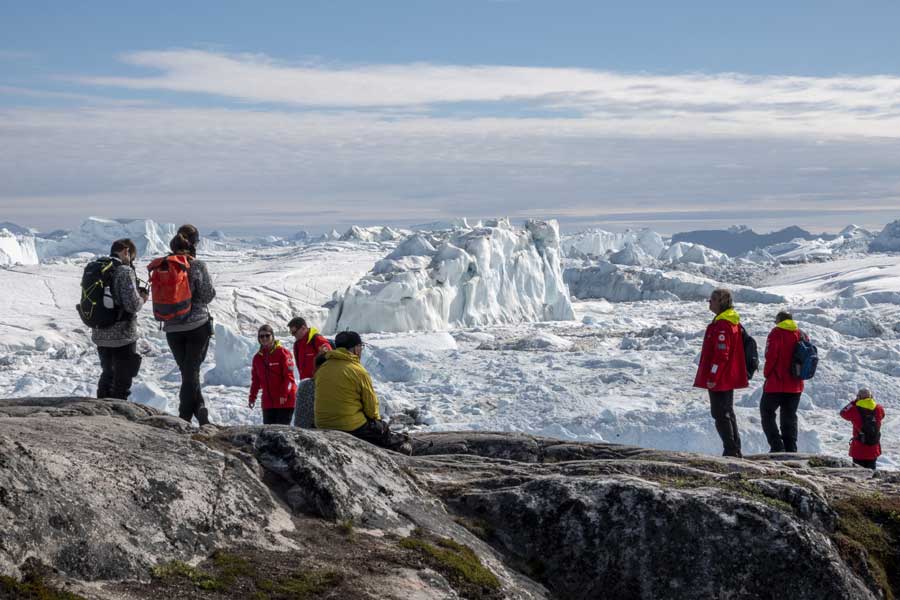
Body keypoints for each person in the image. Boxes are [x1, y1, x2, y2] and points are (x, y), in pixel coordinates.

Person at [314, 331, 410, 453]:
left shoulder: (323, 368)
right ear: (355, 349)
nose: (361, 350)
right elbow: (371, 409)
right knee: (382, 429)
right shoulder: (357, 370)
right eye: (360, 346)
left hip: (322, 424)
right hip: (348, 427)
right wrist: (378, 424)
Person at [160, 227, 216, 425]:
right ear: (194, 244)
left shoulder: (164, 265)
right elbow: (207, 295)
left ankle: (200, 409)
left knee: (188, 371)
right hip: (197, 326)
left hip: (172, 329)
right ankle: (185, 415)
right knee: (191, 372)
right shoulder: (197, 265)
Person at [693, 288, 748, 458]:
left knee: (720, 414)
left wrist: (712, 377)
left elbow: (721, 355)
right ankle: (734, 448)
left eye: (712, 299)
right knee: (727, 412)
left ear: (721, 302)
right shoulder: (731, 322)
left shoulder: (723, 325)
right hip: (728, 376)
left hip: (721, 378)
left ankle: (730, 450)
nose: (709, 302)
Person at [92, 238, 148, 400]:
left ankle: (100, 410)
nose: (131, 262)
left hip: (100, 332)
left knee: (107, 374)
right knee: (122, 380)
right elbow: (132, 305)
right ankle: (117, 416)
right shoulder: (124, 271)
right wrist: (142, 298)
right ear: (126, 252)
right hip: (122, 335)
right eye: (132, 258)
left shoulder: (99, 267)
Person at [760, 311, 803, 453]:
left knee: (767, 412)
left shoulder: (776, 333)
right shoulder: (801, 334)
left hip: (776, 383)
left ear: (779, 320)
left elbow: (771, 356)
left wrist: (767, 374)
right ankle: (791, 448)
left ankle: (776, 444)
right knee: (789, 416)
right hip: (795, 384)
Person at [249, 324, 297, 424]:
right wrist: (252, 397)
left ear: (273, 336)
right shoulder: (257, 358)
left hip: (284, 401)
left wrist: (284, 394)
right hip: (268, 402)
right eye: (261, 336)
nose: (264, 338)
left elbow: (289, 378)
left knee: (281, 433)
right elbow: (256, 381)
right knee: (268, 434)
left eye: (267, 335)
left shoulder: (283, 353)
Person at [840, 388, 885, 470]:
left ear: (859, 397)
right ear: (871, 397)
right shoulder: (879, 408)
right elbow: (883, 415)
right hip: (873, 448)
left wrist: (854, 402)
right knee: (871, 474)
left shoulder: (854, 409)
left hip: (859, 449)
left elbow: (843, 412)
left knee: (858, 474)